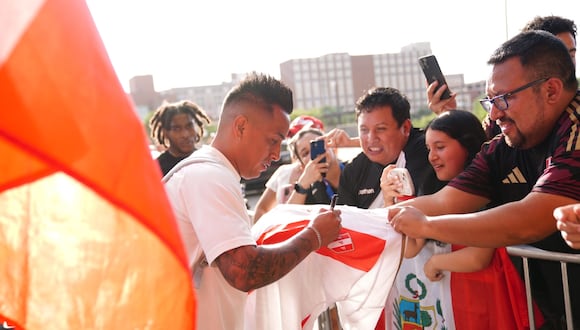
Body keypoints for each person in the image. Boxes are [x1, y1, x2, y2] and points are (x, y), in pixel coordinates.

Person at [388, 31, 580, 328]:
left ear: (551, 90)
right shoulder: (503, 143)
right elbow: (446, 200)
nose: (494, 113)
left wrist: (426, 226)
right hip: (552, 308)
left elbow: (529, 219)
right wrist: (356, 219)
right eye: (490, 101)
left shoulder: (575, 132)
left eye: (504, 99)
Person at [162, 72, 342, 330]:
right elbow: (242, 270)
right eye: (272, 140)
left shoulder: (206, 173)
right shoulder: (209, 176)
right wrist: (315, 235)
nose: (275, 154)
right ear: (241, 126)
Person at [383, 110, 543, 329]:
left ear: (468, 145)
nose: (432, 157)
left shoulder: (488, 186)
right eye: (429, 149)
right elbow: (410, 248)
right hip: (450, 308)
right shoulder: (432, 189)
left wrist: (436, 262)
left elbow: (480, 255)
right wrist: (389, 202)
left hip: (485, 306)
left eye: (440, 147)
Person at [427, 15, 577, 139]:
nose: (566, 64)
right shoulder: (498, 119)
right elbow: (477, 153)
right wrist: (451, 117)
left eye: (570, 55)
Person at [337, 86, 445, 209]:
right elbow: (345, 221)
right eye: (364, 130)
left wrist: (446, 111)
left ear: (405, 127)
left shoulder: (428, 153)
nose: (371, 138)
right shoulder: (354, 170)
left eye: (381, 129)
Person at [253, 115, 325, 221]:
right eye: (292, 138)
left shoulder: (331, 171)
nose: (295, 141)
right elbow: (261, 209)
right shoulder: (283, 172)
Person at [148, 100, 211, 175]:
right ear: (166, 132)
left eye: (189, 126)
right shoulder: (156, 169)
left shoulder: (207, 160)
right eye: (177, 129)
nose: (185, 134)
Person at [285, 127, 343, 206]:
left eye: (317, 146)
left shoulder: (356, 168)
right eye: (305, 153)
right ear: (303, 166)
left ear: (333, 147)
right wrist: (302, 184)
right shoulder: (311, 191)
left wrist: (351, 142)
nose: (314, 154)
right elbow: (290, 215)